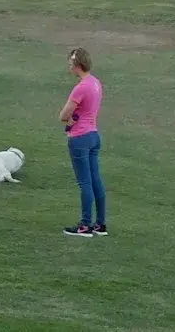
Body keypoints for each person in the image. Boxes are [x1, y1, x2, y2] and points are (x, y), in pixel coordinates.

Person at [58, 47, 107, 237]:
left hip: (79, 138)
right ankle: (100, 224)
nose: (69, 67)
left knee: (84, 183)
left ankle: (85, 225)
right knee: (96, 180)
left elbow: (64, 115)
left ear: (78, 66)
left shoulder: (81, 87)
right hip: (93, 135)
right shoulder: (95, 83)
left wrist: (66, 118)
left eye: (70, 64)